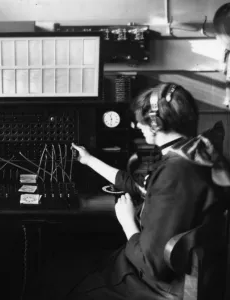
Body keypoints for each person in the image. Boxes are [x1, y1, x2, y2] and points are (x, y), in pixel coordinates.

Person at [67, 82, 224, 300]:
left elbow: (152, 265)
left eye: (142, 120)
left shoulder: (176, 173)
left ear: (156, 123)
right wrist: (89, 160)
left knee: (66, 277)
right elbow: (140, 186)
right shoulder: (194, 154)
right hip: (188, 275)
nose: (137, 126)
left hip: (156, 284)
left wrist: (126, 221)